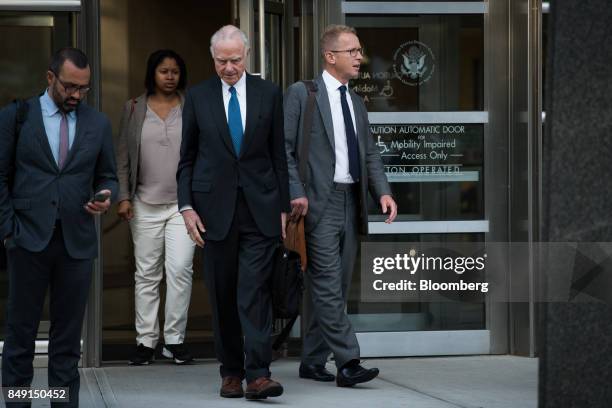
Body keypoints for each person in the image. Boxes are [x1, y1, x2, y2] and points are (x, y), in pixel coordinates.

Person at [0, 48, 118, 407]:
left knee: (66, 341)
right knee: (21, 336)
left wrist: (106, 194)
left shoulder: (97, 123)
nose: (76, 95)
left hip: (76, 241)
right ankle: (19, 402)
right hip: (27, 239)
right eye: (69, 87)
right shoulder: (16, 117)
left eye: (83, 89)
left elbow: (107, 174)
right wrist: (8, 229)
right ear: (50, 78)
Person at [177, 25, 289, 400]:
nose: (229, 67)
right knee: (223, 294)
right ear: (213, 59)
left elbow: (278, 156)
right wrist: (187, 206)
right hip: (213, 213)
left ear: (247, 56)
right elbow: (187, 159)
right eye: (222, 61)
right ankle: (230, 372)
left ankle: (259, 374)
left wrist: (284, 207)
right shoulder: (197, 97)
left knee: (252, 291)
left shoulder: (269, 94)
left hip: (261, 209)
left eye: (236, 60)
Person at [284, 25, 398, 387]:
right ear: (330, 56)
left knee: (335, 285)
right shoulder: (303, 94)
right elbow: (284, 149)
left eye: (359, 51)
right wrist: (294, 192)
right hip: (316, 202)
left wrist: (383, 191)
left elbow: (369, 153)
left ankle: (313, 360)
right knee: (328, 284)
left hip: (351, 201)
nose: (359, 57)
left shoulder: (355, 100)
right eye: (352, 51)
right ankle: (349, 361)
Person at [115, 49, 195, 366]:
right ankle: (145, 341)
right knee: (146, 274)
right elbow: (122, 158)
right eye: (164, 71)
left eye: (175, 71)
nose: (170, 76)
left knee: (180, 271)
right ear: (153, 73)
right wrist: (123, 197)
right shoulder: (133, 108)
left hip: (184, 205)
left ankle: (174, 341)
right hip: (144, 203)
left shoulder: (192, 107)